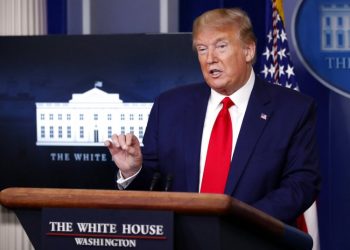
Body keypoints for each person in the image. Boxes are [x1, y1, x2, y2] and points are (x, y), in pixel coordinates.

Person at [105, 8, 320, 225]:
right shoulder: (169, 106)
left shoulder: (292, 109)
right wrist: (133, 171)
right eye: (202, 49)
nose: (210, 59)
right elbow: (153, 187)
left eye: (221, 47)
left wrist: (239, 223)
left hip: (254, 239)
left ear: (248, 51)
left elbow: (300, 185)